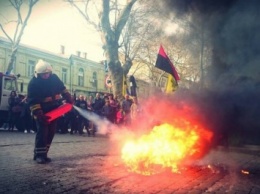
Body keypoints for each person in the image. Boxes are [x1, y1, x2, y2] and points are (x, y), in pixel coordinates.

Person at [27, 59, 73, 164]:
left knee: (51, 132)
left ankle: (44, 154)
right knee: (42, 132)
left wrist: (68, 97)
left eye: (48, 73)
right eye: (44, 74)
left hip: (53, 110)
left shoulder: (54, 78)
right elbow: (33, 101)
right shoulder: (33, 83)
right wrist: (39, 114)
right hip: (41, 111)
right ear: (38, 74)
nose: (46, 76)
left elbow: (62, 88)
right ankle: (39, 155)